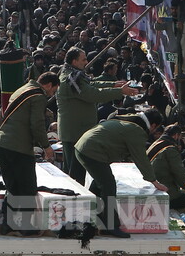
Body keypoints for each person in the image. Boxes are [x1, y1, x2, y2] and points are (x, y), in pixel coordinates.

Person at [75, 110, 169, 238]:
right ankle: (111, 226)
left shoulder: (128, 121)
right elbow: (141, 158)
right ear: (153, 125)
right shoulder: (137, 131)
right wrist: (154, 181)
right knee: (108, 186)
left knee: (99, 183)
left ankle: (89, 216)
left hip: (85, 147)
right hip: (92, 151)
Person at [56, 48, 137, 185]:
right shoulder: (71, 78)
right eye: (83, 60)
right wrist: (119, 92)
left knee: (77, 171)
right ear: (74, 61)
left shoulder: (74, 74)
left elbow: (91, 84)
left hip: (77, 130)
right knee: (75, 174)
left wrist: (113, 84)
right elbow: (92, 94)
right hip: (75, 132)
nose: (86, 62)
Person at [0, 72, 60, 235]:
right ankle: (26, 226)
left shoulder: (22, 89)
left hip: (2, 144)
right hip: (20, 147)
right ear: (49, 85)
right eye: (53, 91)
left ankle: (7, 224)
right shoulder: (38, 96)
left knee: (12, 186)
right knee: (28, 186)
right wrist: (46, 146)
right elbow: (36, 124)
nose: (51, 95)